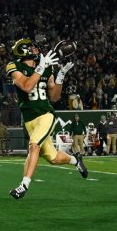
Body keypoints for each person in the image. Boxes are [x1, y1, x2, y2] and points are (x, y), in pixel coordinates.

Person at [6, 38, 88, 199]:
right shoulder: (14, 66)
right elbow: (27, 87)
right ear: (23, 51)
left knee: (34, 145)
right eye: (31, 47)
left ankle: (24, 185)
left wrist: (60, 77)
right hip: (29, 119)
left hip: (45, 114)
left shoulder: (45, 66)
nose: (35, 49)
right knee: (53, 157)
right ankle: (75, 160)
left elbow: (55, 97)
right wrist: (41, 68)